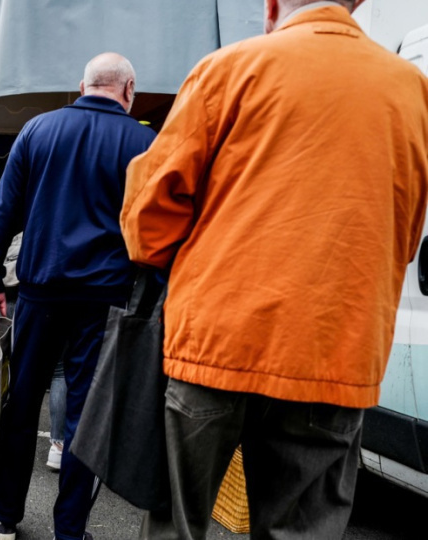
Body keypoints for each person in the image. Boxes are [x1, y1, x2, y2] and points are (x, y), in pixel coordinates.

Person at [120, 2, 428, 539]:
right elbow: (402, 235)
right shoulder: (412, 90)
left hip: (216, 342)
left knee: (178, 523)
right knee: (301, 528)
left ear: (270, 6)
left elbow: (149, 218)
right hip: (336, 348)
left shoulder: (229, 69)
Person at [0, 52, 156, 540]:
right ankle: (70, 530)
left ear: (82, 86)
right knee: (84, 414)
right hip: (106, 298)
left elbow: (4, 212)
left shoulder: (38, 130)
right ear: (129, 89)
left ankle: (6, 515)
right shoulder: (147, 142)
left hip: (40, 289)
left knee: (22, 400)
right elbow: (157, 229)